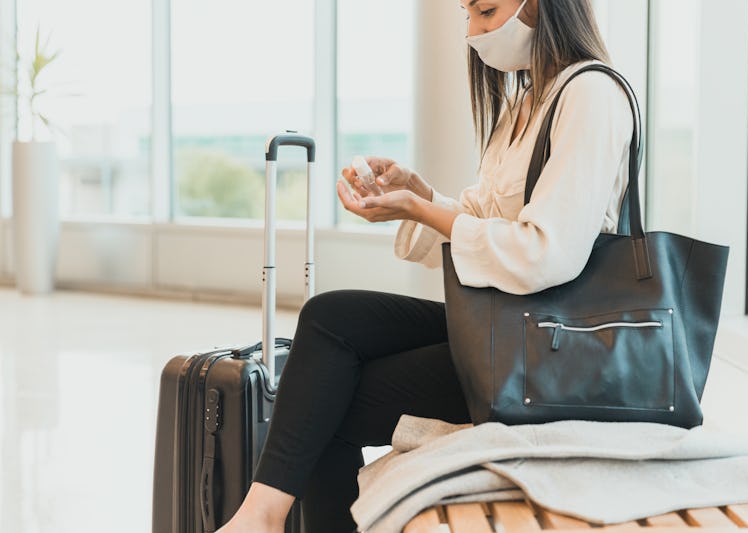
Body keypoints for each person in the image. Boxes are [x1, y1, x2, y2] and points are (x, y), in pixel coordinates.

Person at [218, 0, 632, 531]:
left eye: (485, 10)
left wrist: (418, 210)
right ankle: (260, 516)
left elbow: (545, 253)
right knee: (329, 317)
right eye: (467, 15)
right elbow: (485, 218)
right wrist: (418, 193)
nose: (473, 32)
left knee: (325, 404)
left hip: (551, 353)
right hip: (506, 328)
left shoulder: (592, 94)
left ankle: (258, 520)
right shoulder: (528, 101)